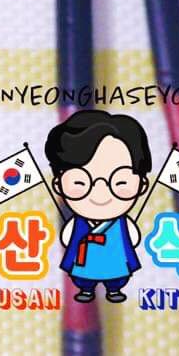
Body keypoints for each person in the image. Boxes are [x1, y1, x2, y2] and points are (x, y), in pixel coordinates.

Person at [45, 110, 150, 302]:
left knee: (115, 275)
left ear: (141, 185)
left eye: (119, 183)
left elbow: (131, 237)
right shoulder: (77, 221)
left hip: (111, 260)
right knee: (85, 275)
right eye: (80, 183)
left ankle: (113, 289)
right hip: (88, 261)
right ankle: (87, 290)